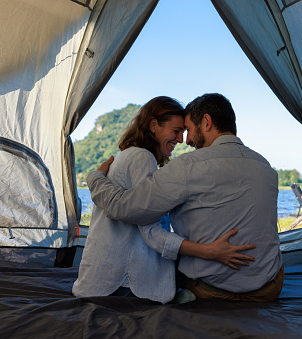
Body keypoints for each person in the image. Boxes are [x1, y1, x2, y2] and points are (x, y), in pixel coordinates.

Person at [91, 93, 284, 302]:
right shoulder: (266, 167)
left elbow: (125, 208)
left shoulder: (189, 166)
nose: (187, 140)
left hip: (213, 289)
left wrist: (95, 179)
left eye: (189, 130)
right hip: (269, 288)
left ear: (207, 122)